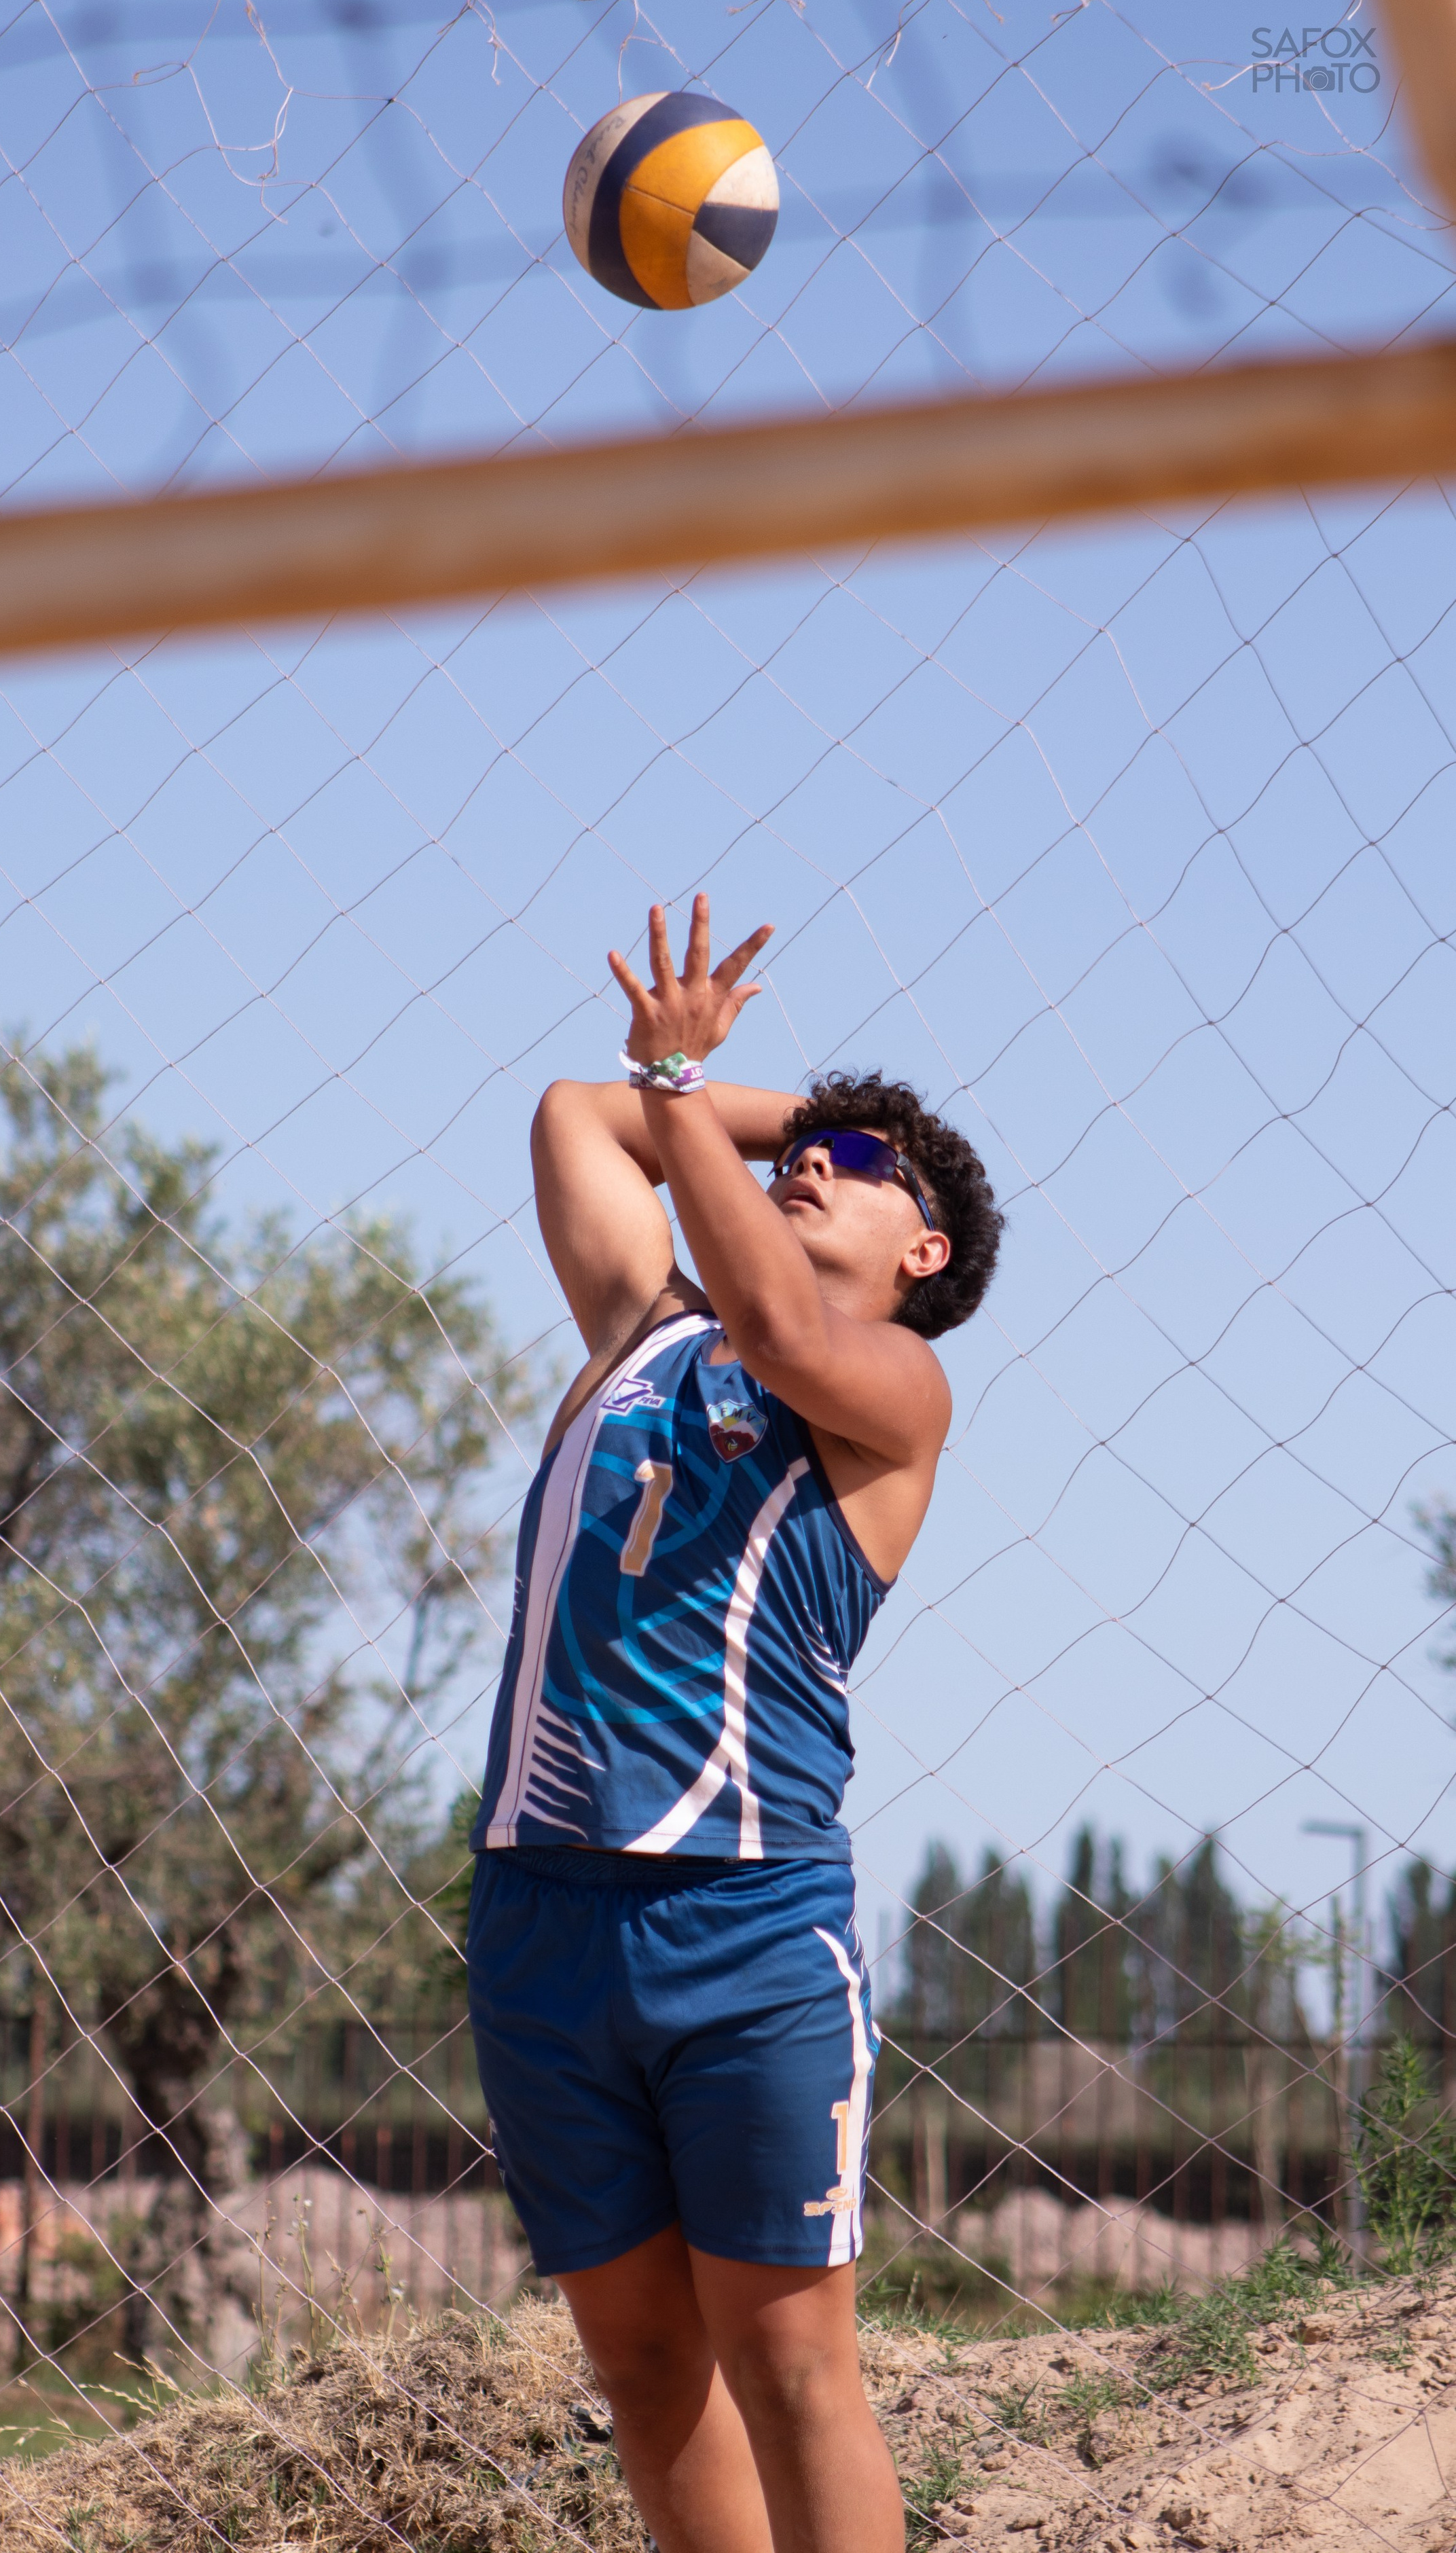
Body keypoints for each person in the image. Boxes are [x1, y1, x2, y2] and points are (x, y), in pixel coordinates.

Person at [466, 895, 1004, 2553]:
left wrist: (698, 1088)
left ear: (926, 1259)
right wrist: (834, 1112)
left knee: (785, 2361)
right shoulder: (646, 1332)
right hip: (540, 1909)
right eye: (805, 1149)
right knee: (639, 2363)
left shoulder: (893, 1393)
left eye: (862, 1170)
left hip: (742, 1922)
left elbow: (780, 1318)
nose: (815, 1165)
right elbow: (576, 1116)